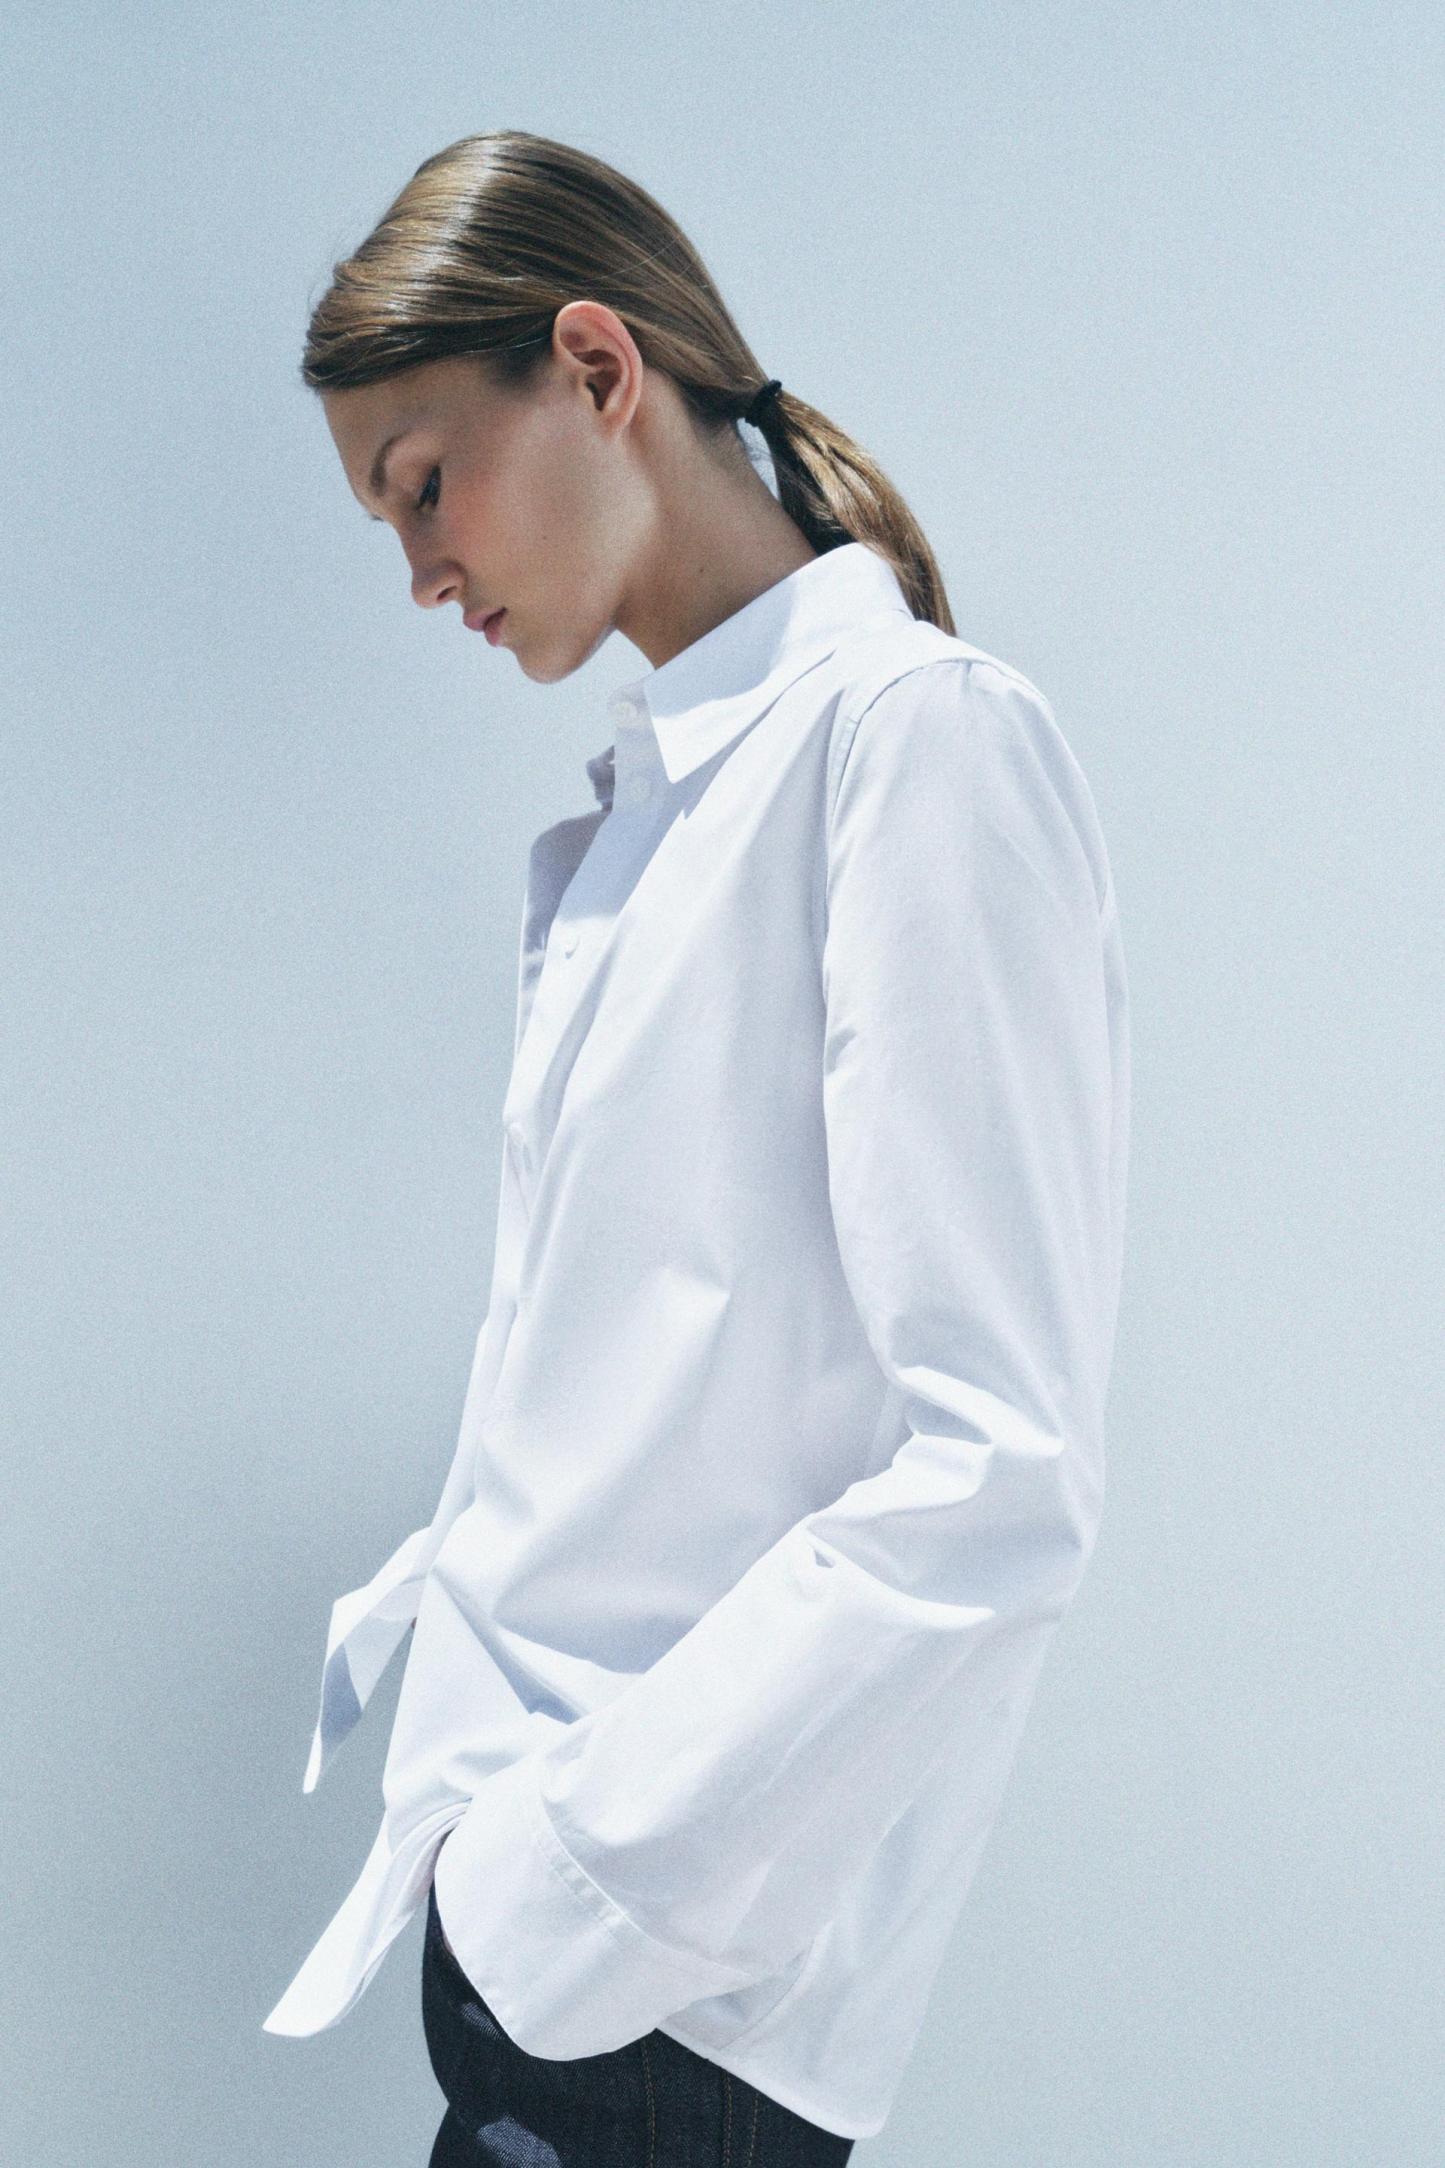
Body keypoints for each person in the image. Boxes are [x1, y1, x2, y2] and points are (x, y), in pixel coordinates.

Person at [261, 128, 1131, 2167]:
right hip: (550, 1973)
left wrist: (573, 1884)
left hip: (656, 2009)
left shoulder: (911, 743)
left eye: (422, 485)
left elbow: (1001, 1471)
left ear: (594, 366)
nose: (421, 575)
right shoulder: (648, 823)